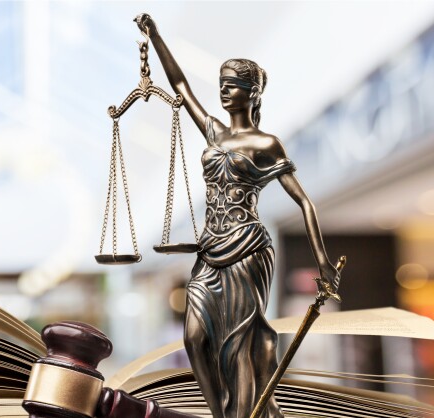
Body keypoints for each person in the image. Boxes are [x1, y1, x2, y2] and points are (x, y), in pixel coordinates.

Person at [136, 14, 341, 418]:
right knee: (195, 337)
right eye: (221, 85)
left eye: (232, 85)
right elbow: (180, 86)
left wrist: (322, 261)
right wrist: (156, 37)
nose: (224, 92)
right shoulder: (214, 132)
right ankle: (219, 412)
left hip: (248, 249)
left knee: (239, 344)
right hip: (210, 251)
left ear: (251, 93)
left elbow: (304, 202)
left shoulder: (267, 144)